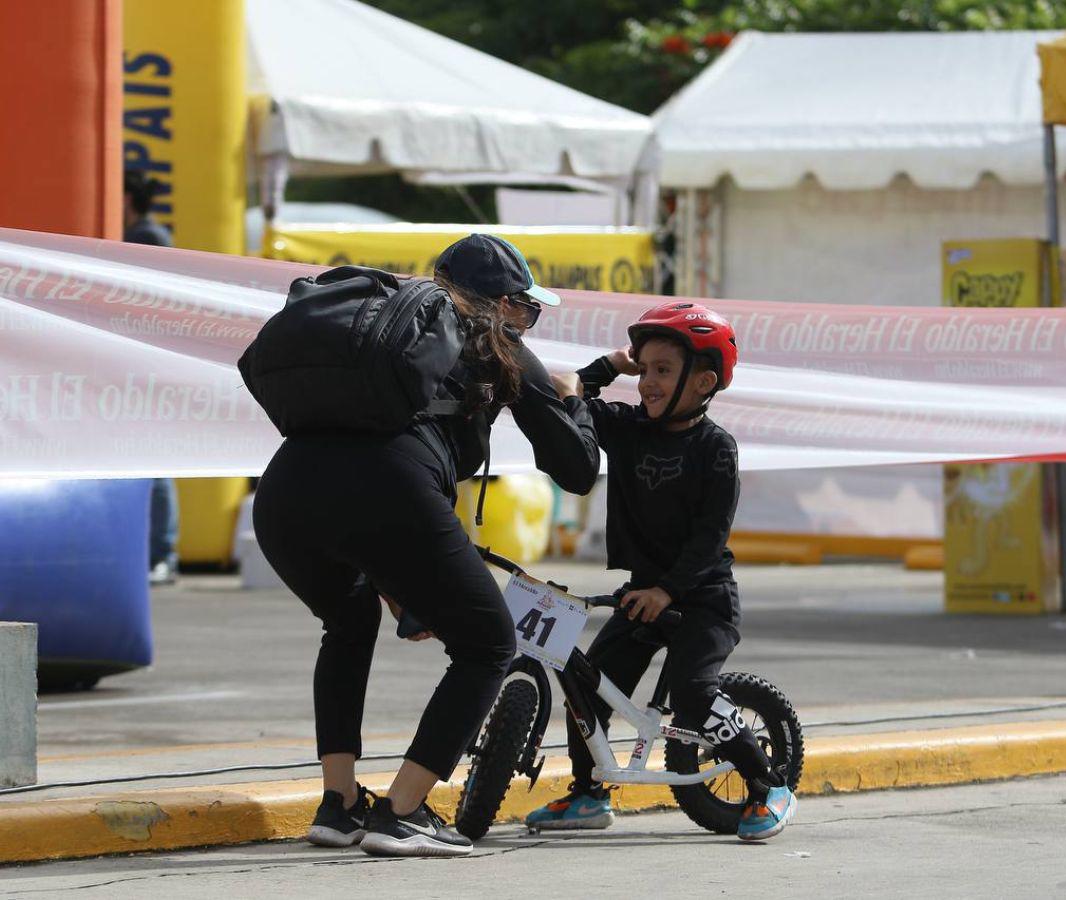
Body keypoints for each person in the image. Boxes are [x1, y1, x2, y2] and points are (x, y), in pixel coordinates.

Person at [251, 234, 600, 858]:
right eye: (526, 307)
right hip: (391, 486)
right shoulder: (506, 353)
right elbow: (576, 469)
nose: (528, 320)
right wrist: (574, 398)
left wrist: (398, 578)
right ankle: (403, 812)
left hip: (285, 492)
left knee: (347, 620)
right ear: (503, 304)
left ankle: (340, 804)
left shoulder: (391, 331)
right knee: (488, 643)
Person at [528, 301, 797, 842]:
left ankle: (768, 785)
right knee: (588, 685)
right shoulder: (629, 429)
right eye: (644, 369)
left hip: (702, 598)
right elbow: (567, 389)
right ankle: (589, 793)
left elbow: (710, 537)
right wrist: (608, 365)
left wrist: (667, 589)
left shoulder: (716, 448)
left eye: (662, 371)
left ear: (703, 382)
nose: (647, 382)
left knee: (696, 694)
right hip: (642, 596)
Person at [122, 169, 178, 585]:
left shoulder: (147, 237)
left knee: (154, 456)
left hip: (147, 356)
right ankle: (157, 550)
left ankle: (163, 552)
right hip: (140, 355)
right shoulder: (147, 234)